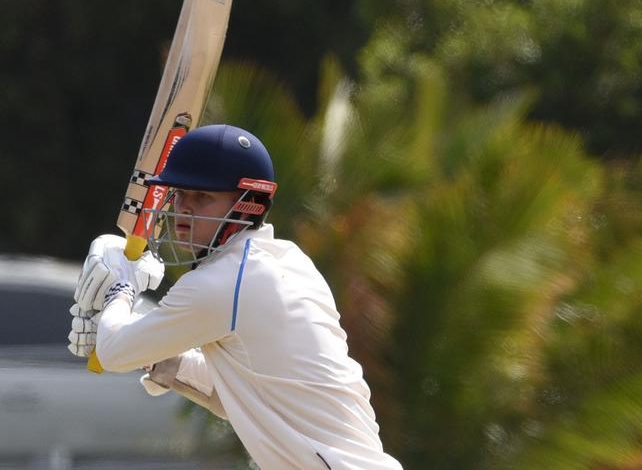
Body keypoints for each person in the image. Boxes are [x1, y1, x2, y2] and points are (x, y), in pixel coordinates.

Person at [68, 124, 402, 470]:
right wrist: (159, 358)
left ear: (248, 206)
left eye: (202, 198)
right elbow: (247, 399)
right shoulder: (288, 260)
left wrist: (119, 290)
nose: (183, 209)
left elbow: (113, 352)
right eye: (180, 194)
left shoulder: (223, 283)